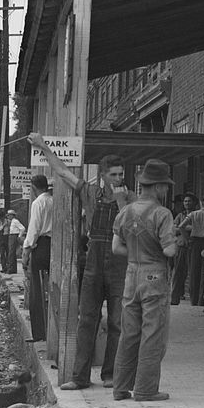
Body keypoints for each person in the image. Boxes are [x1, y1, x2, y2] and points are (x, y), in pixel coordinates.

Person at [28, 132, 131, 391]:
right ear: (103, 176)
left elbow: (132, 227)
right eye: (114, 175)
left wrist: (121, 201)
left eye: (122, 174)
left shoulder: (130, 200)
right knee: (86, 319)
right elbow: (62, 172)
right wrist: (43, 146)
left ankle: (110, 374)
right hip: (94, 262)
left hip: (120, 264)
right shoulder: (90, 193)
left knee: (118, 322)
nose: (119, 179)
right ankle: (80, 376)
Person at [110, 159, 177, 403]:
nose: (167, 191)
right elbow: (169, 251)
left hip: (131, 275)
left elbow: (116, 247)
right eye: (166, 187)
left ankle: (120, 388)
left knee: (129, 333)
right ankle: (146, 389)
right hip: (154, 277)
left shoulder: (125, 211)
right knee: (152, 334)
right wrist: (175, 243)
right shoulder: (162, 214)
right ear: (158, 187)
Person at [23, 175, 53, 342]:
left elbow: (34, 229)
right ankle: (51, 330)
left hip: (41, 246)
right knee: (53, 290)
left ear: (34, 187)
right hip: (56, 246)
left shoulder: (38, 203)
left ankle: (40, 333)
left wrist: (26, 251)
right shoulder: (55, 201)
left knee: (37, 290)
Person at [177, 193, 204, 306]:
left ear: (201, 203)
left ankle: (193, 300)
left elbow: (181, 226)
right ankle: (201, 299)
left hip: (194, 243)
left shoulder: (193, 214)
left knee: (193, 271)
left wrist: (187, 239)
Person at [170, 192, 198, 305]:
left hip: (193, 246)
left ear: (195, 203)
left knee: (193, 273)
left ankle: (194, 299)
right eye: (185, 201)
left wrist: (182, 227)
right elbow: (172, 229)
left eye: (189, 201)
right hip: (181, 246)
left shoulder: (197, 215)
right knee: (178, 272)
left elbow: (198, 229)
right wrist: (188, 228)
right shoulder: (180, 216)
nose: (187, 203)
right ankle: (175, 298)